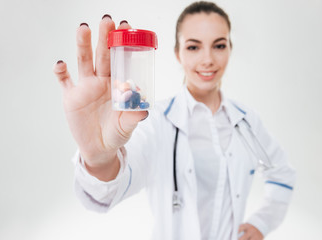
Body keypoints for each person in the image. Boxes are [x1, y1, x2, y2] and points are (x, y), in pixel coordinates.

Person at [53, 1, 296, 240]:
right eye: (193, 47)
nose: (207, 59)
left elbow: (281, 174)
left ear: (230, 48)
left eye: (219, 46)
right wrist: (100, 158)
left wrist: (261, 223)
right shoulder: (153, 120)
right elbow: (109, 191)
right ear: (177, 54)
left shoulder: (246, 120)